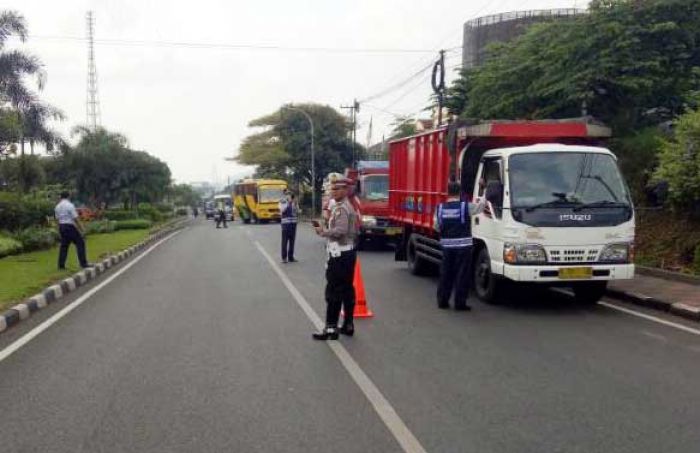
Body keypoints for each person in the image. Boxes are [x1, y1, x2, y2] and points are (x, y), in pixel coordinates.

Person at [312, 176, 358, 340]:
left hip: (340, 254)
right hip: (347, 253)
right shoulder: (345, 206)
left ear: (345, 190)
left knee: (333, 290)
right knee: (346, 289)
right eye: (332, 189)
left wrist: (323, 232)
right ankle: (348, 324)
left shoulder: (342, 208)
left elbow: (340, 231)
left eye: (337, 189)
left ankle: (331, 328)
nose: (334, 192)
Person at [434, 182, 485, 310]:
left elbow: (436, 227)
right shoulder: (465, 207)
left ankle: (442, 301)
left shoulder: (440, 208)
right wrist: (483, 190)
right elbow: (481, 207)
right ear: (459, 193)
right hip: (463, 247)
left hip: (447, 247)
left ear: (448, 192)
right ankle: (459, 303)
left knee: (446, 273)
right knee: (462, 274)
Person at [54, 191, 91, 270]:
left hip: (62, 226)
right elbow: (75, 218)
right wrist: (82, 229)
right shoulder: (70, 205)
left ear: (61, 197)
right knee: (80, 242)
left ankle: (61, 265)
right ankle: (83, 263)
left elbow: (57, 220)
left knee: (64, 246)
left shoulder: (57, 206)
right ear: (68, 197)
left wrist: (58, 230)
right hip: (69, 226)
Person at [279, 191, 298, 263]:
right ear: (285, 196)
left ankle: (291, 257)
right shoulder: (282, 202)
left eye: (290, 195)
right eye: (287, 195)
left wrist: (295, 205)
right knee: (284, 242)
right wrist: (288, 203)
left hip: (293, 224)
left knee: (292, 242)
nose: (289, 196)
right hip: (286, 225)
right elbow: (282, 210)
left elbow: (297, 211)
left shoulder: (294, 203)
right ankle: (284, 258)